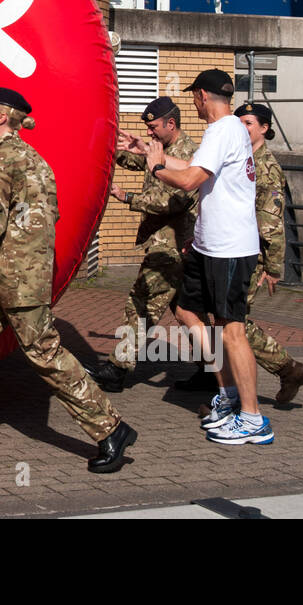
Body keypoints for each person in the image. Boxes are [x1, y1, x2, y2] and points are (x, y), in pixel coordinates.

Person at [0, 88, 137, 474]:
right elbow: (50, 215)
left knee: (46, 355)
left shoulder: (3, 160)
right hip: (11, 277)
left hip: (16, 281)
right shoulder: (34, 159)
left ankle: (111, 429)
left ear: (2, 116)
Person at [128, 69, 272, 446]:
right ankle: (226, 394)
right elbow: (195, 167)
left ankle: (253, 417)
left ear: (203, 96)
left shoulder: (224, 130)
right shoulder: (226, 132)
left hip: (230, 249)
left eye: (194, 96)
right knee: (187, 311)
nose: (193, 102)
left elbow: (190, 179)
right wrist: (149, 152)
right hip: (209, 247)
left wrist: (157, 168)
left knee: (232, 330)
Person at [93, 96, 197, 392]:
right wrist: (113, 147)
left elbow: (170, 201)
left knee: (140, 304)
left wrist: (126, 197)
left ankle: (117, 368)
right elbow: (138, 161)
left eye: (153, 128)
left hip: (170, 246)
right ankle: (211, 370)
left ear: (171, 124)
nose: (149, 133)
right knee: (188, 312)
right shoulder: (160, 149)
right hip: (165, 245)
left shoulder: (188, 155)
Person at [234, 103, 303, 403]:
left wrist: (273, 267)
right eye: (239, 122)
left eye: (249, 123)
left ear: (264, 128)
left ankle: (285, 368)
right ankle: (286, 369)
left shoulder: (266, 168)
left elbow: (271, 223)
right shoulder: (243, 160)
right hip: (233, 250)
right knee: (226, 319)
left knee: (231, 321)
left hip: (250, 255)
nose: (243, 127)